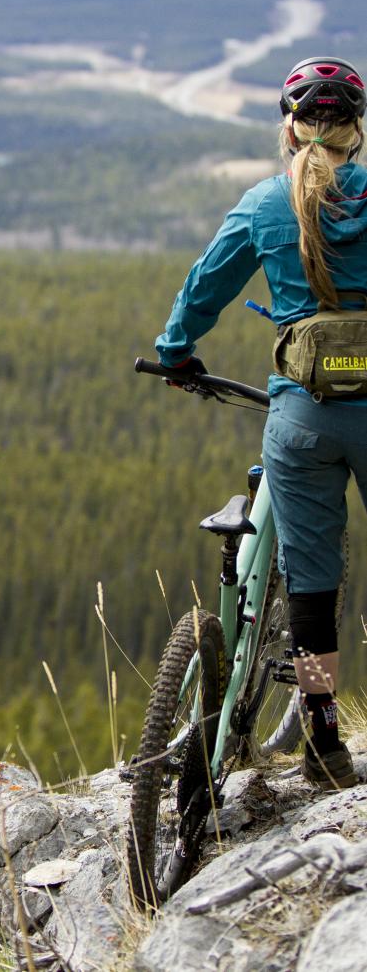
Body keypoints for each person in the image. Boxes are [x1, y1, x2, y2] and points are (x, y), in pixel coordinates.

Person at [156, 55, 367, 791]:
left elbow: (202, 287)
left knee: (309, 583)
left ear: (289, 129)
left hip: (302, 417)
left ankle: (319, 735)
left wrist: (175, 353)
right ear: (357, 134)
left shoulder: (264, 203)